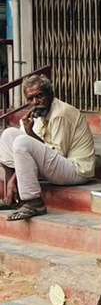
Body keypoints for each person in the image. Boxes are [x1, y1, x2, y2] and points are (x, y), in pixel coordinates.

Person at [0, 74, 95, 220]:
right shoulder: (38, 113)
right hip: (56, 166)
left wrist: (30, 132)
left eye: (39, 96)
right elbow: (25, 150)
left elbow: (56, 153)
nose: (36, 102)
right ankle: (11, 198)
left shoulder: (60, 113)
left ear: (50, 94)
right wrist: (27, 129)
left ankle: (33, 202)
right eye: (30, 99)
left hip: (76, 170)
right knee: (8, 135)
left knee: (22, 142)